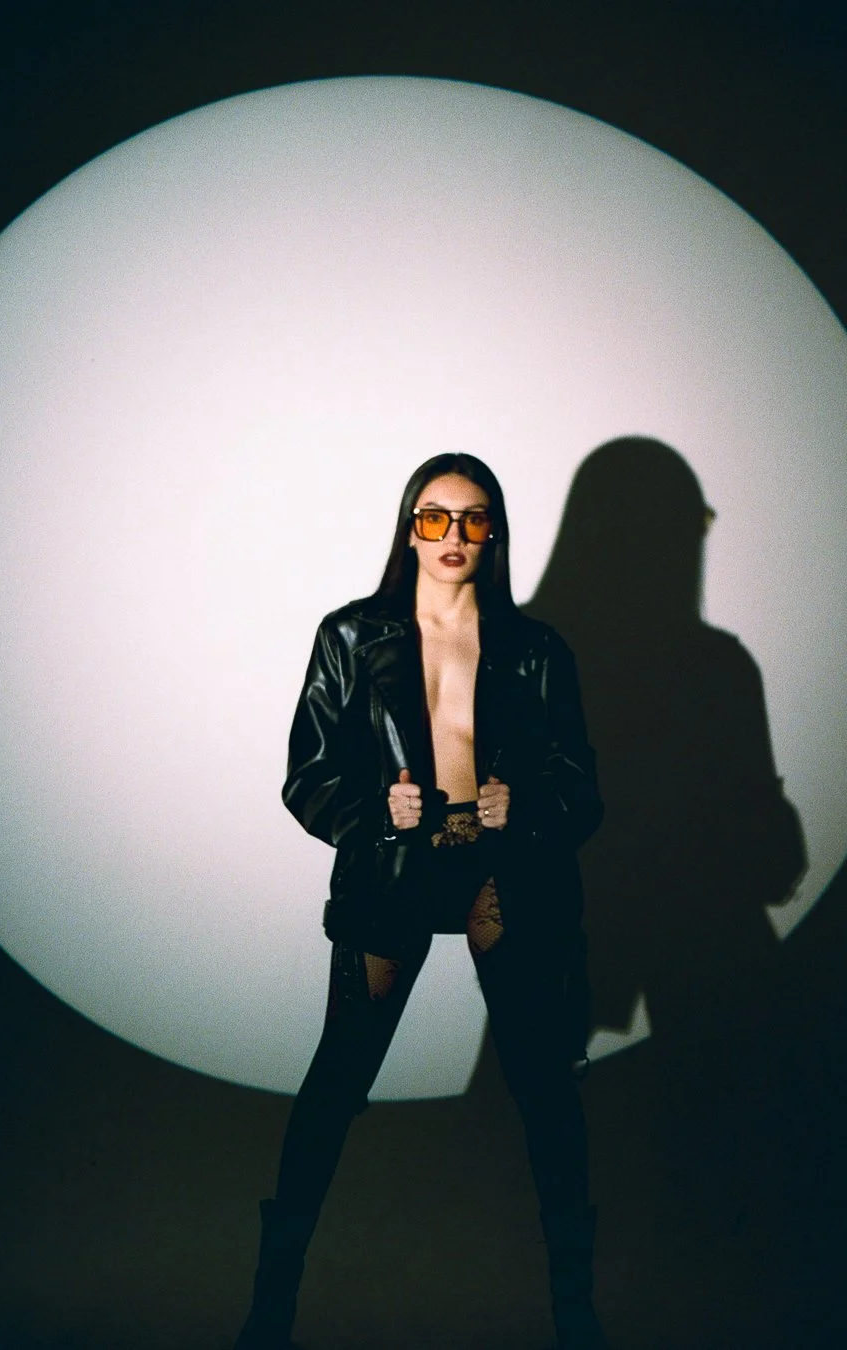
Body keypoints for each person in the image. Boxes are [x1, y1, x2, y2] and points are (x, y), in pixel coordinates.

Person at [234, 453, 607, 1350]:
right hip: (394, 873)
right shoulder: (353, 637)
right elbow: (307, 775)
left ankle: (577, 1316)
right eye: (435, 518)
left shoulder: (536, 650)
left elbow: (583, 787)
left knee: (544, 1090)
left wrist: (530, 806)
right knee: (337, 1082)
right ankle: (270, 1309)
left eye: (473, 519)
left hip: (501, 875)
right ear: (409, 528)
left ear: (496, 533)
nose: (453, 537)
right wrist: (371, 812)